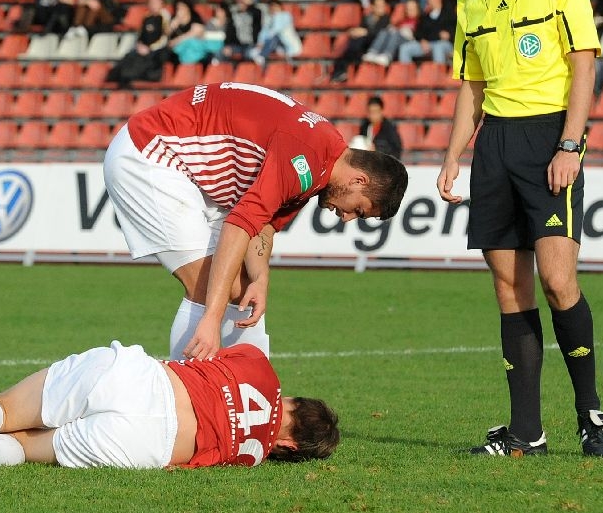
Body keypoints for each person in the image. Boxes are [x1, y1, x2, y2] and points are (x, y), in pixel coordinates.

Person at [436, 0, 603, 458]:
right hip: (495, 146)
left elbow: (584, 65)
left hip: (548, 140)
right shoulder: (469, 2)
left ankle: (591, 415)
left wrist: (570, 144)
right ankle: (526, 431)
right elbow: (472, 86)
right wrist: (452, 154)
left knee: (559, 282)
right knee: (509, 290)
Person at [103, 82, 408, 360]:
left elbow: (262, 224)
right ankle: (187, 404)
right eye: (359, 210)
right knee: (207, 288)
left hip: (184, 167)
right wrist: (212, 318)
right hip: (149, 154)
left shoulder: (322, 157)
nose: (346, 218)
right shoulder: (305, 161)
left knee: (243, 291)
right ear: (359, 180)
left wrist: (260, 280)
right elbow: (239, 224)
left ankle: (254, 396)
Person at [0, 341, 339, 471]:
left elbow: (205, 354)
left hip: (141, 378)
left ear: (293, 400)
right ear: (292, 444)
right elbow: (188, 466)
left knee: (6, 409)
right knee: (27, 448)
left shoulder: (260, 365)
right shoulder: (252, 457)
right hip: (149, 443)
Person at [357, 95, 403, 160]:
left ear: (381, 111)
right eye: (371, 112)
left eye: (375, 112)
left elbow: (396, 150)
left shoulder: (389, 129)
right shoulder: (364, 127)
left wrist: (377, 150)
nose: (373, 115)